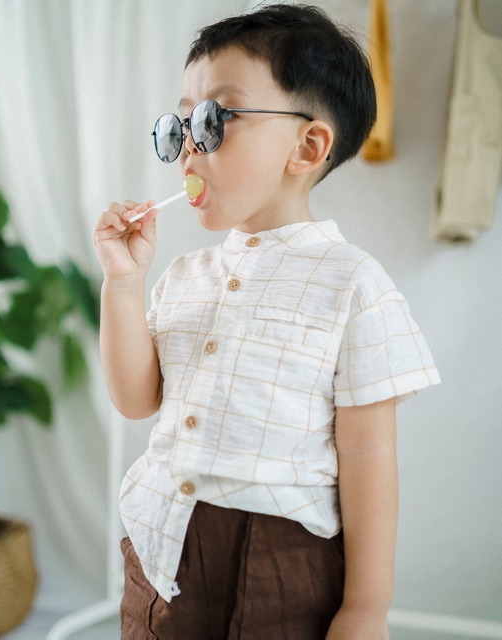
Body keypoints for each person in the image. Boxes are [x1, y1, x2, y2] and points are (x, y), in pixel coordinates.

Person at [93, 4, 440, 639]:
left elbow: (369, 453)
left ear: (307, 147)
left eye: (214, 120)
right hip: (160, 555)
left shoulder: (353, 285)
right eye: (180, 125)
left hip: (280, 569)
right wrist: (123, 282)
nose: (190, 145)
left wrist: (366, 609)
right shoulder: (184, 276)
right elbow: (136, 400)